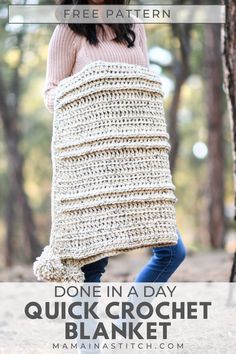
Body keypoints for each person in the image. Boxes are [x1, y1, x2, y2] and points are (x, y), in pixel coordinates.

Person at [43, 0, 186, 284]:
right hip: (93, 161)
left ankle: (126, 323)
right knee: (92, 265)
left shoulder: (133, 24)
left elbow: (141, 87)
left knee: (172, 251)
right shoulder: (68, 28)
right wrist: (91, 88)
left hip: (136, 160)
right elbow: (51, 93)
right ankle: (86, 330)